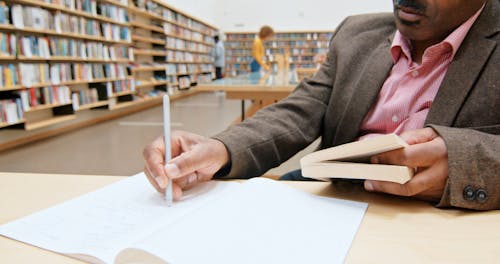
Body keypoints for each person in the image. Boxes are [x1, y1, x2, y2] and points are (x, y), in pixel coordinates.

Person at [143, 0, 499, 210]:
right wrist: (219, 148)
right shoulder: (354, 35)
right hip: (334, 195)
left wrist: (468, 162)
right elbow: (302, 107)